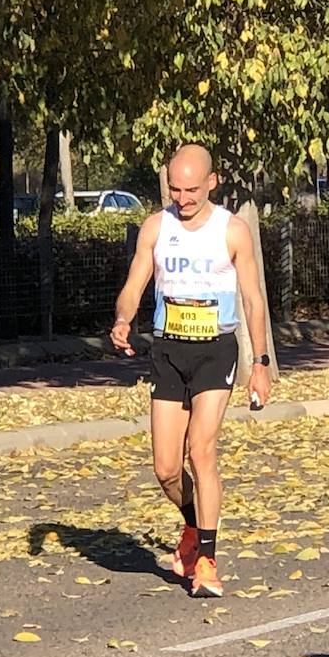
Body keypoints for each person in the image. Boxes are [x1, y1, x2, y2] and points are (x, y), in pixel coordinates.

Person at [110, 144, 272, 598]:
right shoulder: (157, 227)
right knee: (165, 468)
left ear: (212, 182)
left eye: (192, 190)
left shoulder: (232, 231)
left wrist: (260, 364)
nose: (182, 198)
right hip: (168, 351)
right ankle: (191, 529)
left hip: (216, 350)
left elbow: (255, 301)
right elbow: (134, 285)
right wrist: (123, 319)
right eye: (175, 189)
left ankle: (206, 560)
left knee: (200, 450)